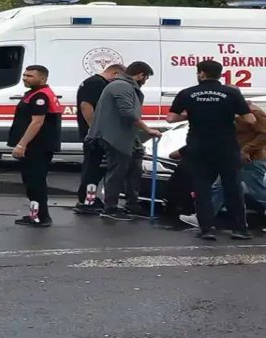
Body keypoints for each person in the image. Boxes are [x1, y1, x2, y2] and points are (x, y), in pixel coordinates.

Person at [167, 60, 256, 241]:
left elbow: (170, 118)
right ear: (220, 74)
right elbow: (250, 120)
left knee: (202, 188)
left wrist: (190, 113)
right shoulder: (231, 93)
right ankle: (240, 229)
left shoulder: (187, 93)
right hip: (226, 147)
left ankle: (206, 229)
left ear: (201, 73)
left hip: (198, 147)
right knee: (232, 188)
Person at [86, 61, 161, 222]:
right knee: (117, 172)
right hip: (115, 136)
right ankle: (110, 207)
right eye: (146, 77)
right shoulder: (121, 86)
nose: (145, 81)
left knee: (134, 170)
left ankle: (132, 205)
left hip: (128, 136)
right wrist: (147, 129)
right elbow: (127, 113)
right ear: (140, 74)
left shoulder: (126, 86)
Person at [179, 102, 266, 230]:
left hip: (252, 159)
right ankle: (203, 218)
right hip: (235, 158)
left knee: (258, 191)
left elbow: (264, 134)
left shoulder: (254, 113)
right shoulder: (232, 113)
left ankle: (203, 218)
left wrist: (247, 150)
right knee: (219, 187)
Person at [8, 65, 64, 227]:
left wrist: (21, 144)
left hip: (37, 146)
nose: (25, 78)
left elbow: (37, 122)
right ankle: (36, 214)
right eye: (25, 75)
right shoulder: (34, 93)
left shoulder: (40, 96)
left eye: (30, 76)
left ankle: (41, 216)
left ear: (43, 79)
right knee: (32, 182)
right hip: (36, 146)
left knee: (35, 182)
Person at [73, 64, 125, 215]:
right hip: (95, 135)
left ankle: (90, 199)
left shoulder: (95, 83)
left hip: (95, 134)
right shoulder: (95, 83)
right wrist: (95, 130)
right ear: (115, 73)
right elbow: (86, 106)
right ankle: (87, 201)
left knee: (96, 167)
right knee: (93, 168)